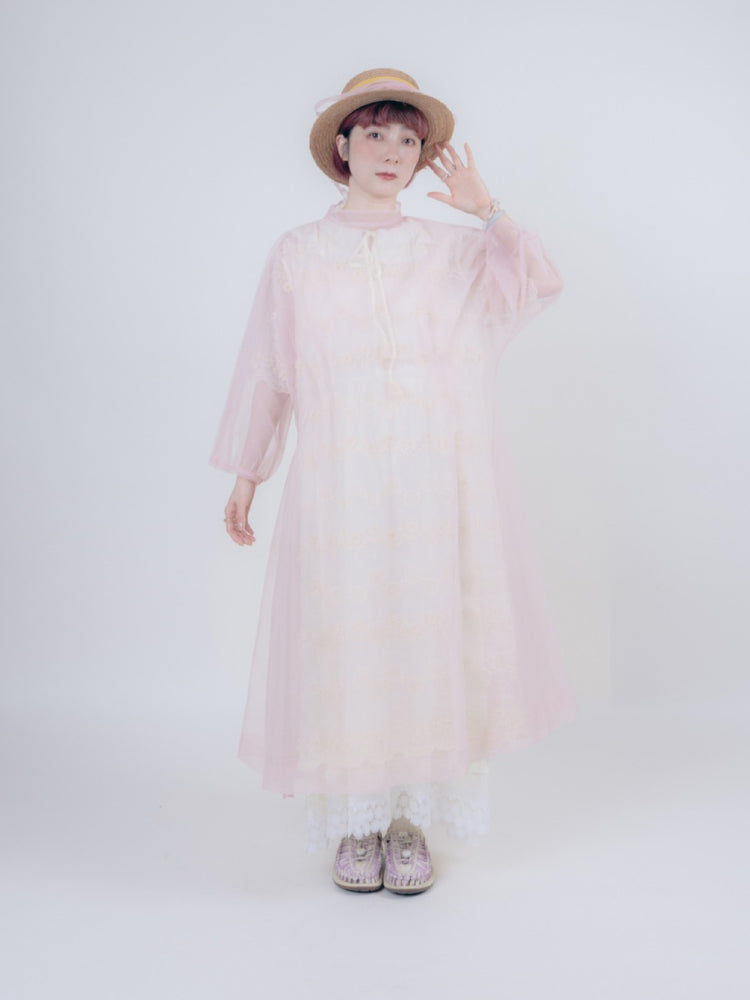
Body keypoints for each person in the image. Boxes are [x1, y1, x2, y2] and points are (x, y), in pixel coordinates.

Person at [210, 68, 576, 895]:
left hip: (434, 487)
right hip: (340, 487)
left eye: (409, 139)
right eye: (375, 133)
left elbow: (541, 281)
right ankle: (360, 817)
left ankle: (409, 818)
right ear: (342, 146)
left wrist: (488, 210)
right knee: (347, 637)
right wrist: (246, 472)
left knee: (428, 637)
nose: (392, 151)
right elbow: (267, 370)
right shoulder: (298, 255)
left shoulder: (450, 254)